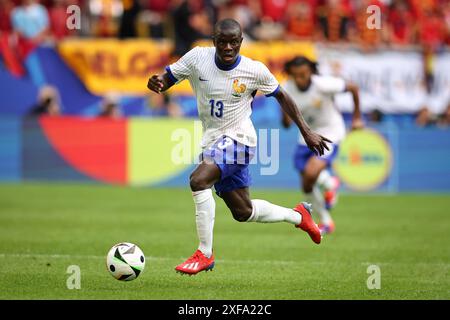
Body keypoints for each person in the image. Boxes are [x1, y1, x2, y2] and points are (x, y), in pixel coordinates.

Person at [147, 19, 331, 275]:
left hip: (240, 140)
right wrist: (157, 83)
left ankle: (204, 253)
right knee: (243, 211)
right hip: (212, 142)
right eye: (223, 42)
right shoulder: (197, 58)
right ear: (214, 41)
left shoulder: (253, 70)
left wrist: (307, 131)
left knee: (198, 180)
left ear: (241, 42)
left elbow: (282, 95)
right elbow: (167, 79)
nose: (228, 47)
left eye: (234, 42)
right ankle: (299, 216)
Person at [281, 56, 363, 235]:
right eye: (296, 76)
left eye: (303, 74)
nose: (300, 79)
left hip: (330, 133)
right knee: (306, 184)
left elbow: (354, 88)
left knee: (311, 173)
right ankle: (326, 216)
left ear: (310, 71)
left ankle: (327, 185)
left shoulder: (323, 84)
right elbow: (286, 122)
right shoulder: (287, 88)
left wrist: (357, 117)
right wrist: (285, 112)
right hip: (306, 136)